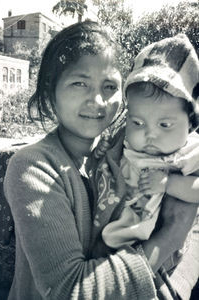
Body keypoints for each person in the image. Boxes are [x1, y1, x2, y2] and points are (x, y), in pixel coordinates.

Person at [3, 21, 197, 300]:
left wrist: (180, 282)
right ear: (50, 90)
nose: (97, 100)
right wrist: (169, 239)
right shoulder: (33, 167)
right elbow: (71, 291)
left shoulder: (129, 150)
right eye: (79, 83)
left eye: (109, 86)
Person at [90, 34, 199, 299]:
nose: (149, 134)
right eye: (138, 123)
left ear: (191, 122)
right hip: (110, 240)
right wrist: (101, 153)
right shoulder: (125, 142)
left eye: (164, 125)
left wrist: (169, 183)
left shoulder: (187, 153)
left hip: (159, 252)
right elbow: (99, 173)